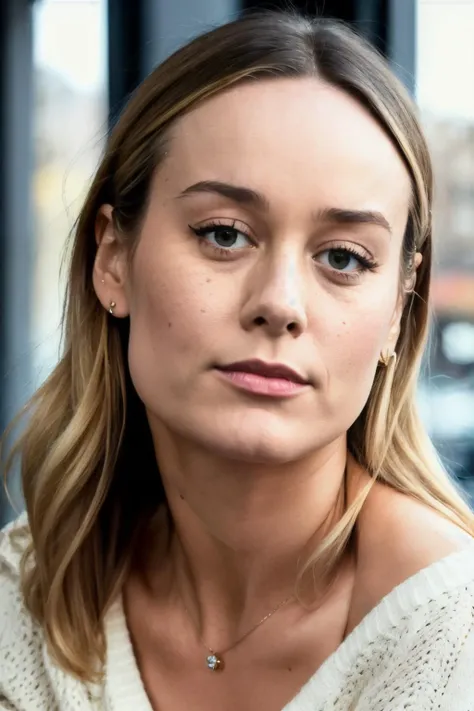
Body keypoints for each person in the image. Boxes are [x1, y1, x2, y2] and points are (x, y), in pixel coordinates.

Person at [1, 10, 474, 711]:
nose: (279, 303)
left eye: (343, 257)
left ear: (399, 310)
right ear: (113, 258)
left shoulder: (452, 638)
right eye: (224, 235)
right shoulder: (27, 591)